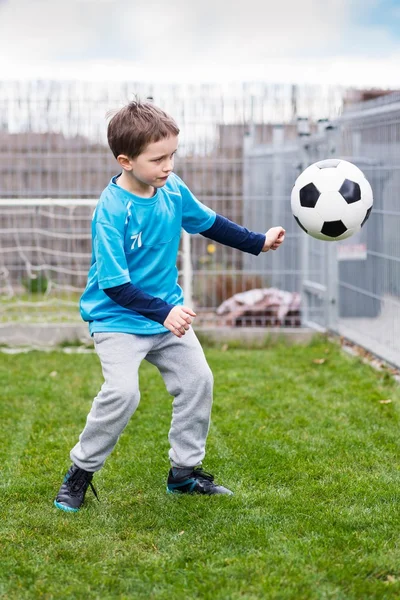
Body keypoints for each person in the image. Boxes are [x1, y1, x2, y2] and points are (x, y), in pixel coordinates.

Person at [54, 100, 285, 512]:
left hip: (166, 318)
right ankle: (80, 471)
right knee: (123, 394)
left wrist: (258, 242)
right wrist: (162, 312)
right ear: (125, 161)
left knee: (199, 382)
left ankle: (184, 474)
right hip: (118, 318)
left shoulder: (172, 189)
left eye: (172, 155)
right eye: (158, 158)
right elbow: (114, 286)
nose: (168, 165)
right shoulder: (110, 211)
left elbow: (209, 222)